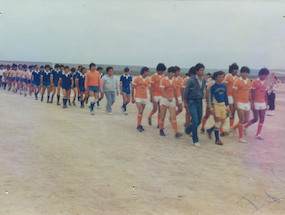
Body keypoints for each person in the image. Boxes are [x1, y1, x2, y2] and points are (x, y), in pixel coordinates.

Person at [184, 63, 206, 147]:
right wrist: (185, 102)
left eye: (203, 70)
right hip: (192, 101)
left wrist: (202, 95)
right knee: (195, 120)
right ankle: (195, 140)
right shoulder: (191, 80)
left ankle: (187, 130)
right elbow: (186, 92)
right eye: (200, 70)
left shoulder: (204, 80)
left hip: (200, 102)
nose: (202, 72)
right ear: (196, 71)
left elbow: (203, 89)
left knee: (199, 121)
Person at [245, 68, 269, 139]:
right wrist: (251, 103)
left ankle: (258, 134)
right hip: (255, 102)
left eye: (266, 76)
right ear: (260, 75)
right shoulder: (254, 82)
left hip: (263, 103)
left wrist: (266, 102)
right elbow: (251, 94)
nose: (264, 77)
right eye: (264, 75)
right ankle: (245, 127)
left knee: (262, 118)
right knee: (255, 119)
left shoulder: (266, 82)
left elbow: (266, 93)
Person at [206, 71, 229, 145]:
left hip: (223, 106)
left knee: (223, 122)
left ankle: (210, 130)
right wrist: (211, 108)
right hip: (216, 106)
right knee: (218, 122)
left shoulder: (224, 86)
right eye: (219, 77)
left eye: (222, 77)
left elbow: (226, 97)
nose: (221, 78)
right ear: (215, 77)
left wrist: (227, 106)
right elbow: (209, 98)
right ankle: (217, 139)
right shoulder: (212, 87)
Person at [159, 66, 182, 138]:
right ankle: (161, 129)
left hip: (172, 100)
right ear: (169, 73)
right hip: (164, 100)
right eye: (173, 72)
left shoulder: (175, 80)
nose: (174, 74)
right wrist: (167, 97)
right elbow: (162, 90)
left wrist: (177, 100)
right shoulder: (163, 80)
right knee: (162, 116)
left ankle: (176, 132)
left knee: (173, 116)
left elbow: (175, 90)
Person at [232, 66, 252, 143]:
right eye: (243, 72)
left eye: (246, 72)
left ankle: (234, 128)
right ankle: (241, 137)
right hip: (239, 101)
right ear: (241, 73)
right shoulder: (237, 81)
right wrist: (235, 103)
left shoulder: (249, 81)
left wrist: (251, 101)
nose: (245, 74)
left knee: (246, 120)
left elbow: (249, 92)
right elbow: (234, 93)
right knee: (241, 119)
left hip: (247, 102)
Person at [132, 67, 151, 132]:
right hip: (138, 97)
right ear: (144, 72)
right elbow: (132, 88)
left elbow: (150, 88)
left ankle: (140, 124)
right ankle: (138, 125)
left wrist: (151, 96)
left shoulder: (148, 80)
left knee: (141, 111)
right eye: (147, 71)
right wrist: (132, 98)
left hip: (144, 97)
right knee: (140, 110)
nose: (148, 73)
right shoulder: (137, 78)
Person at [148, 63, 166, 127]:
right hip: (155, 94)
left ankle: (159, 123)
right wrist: (151, 96)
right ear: (158, 70)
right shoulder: (153, 76)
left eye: (163, 71)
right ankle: (150, 117)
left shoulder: (164, 77)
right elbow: (151, 87)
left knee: (160, 110)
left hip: (161, 95)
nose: (162, 72)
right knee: (155, 109)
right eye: (161, 71)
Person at [223, 63, 239, 131]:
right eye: (235, 69)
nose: (236, 71)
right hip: (228, 96)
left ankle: (231, 127)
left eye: (237, 69)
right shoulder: (227, 76)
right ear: (232, 70)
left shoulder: (237, 78)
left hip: (234, 97)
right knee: (230, 112)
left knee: (233, 112)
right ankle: (220, 122)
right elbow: (224, 87)